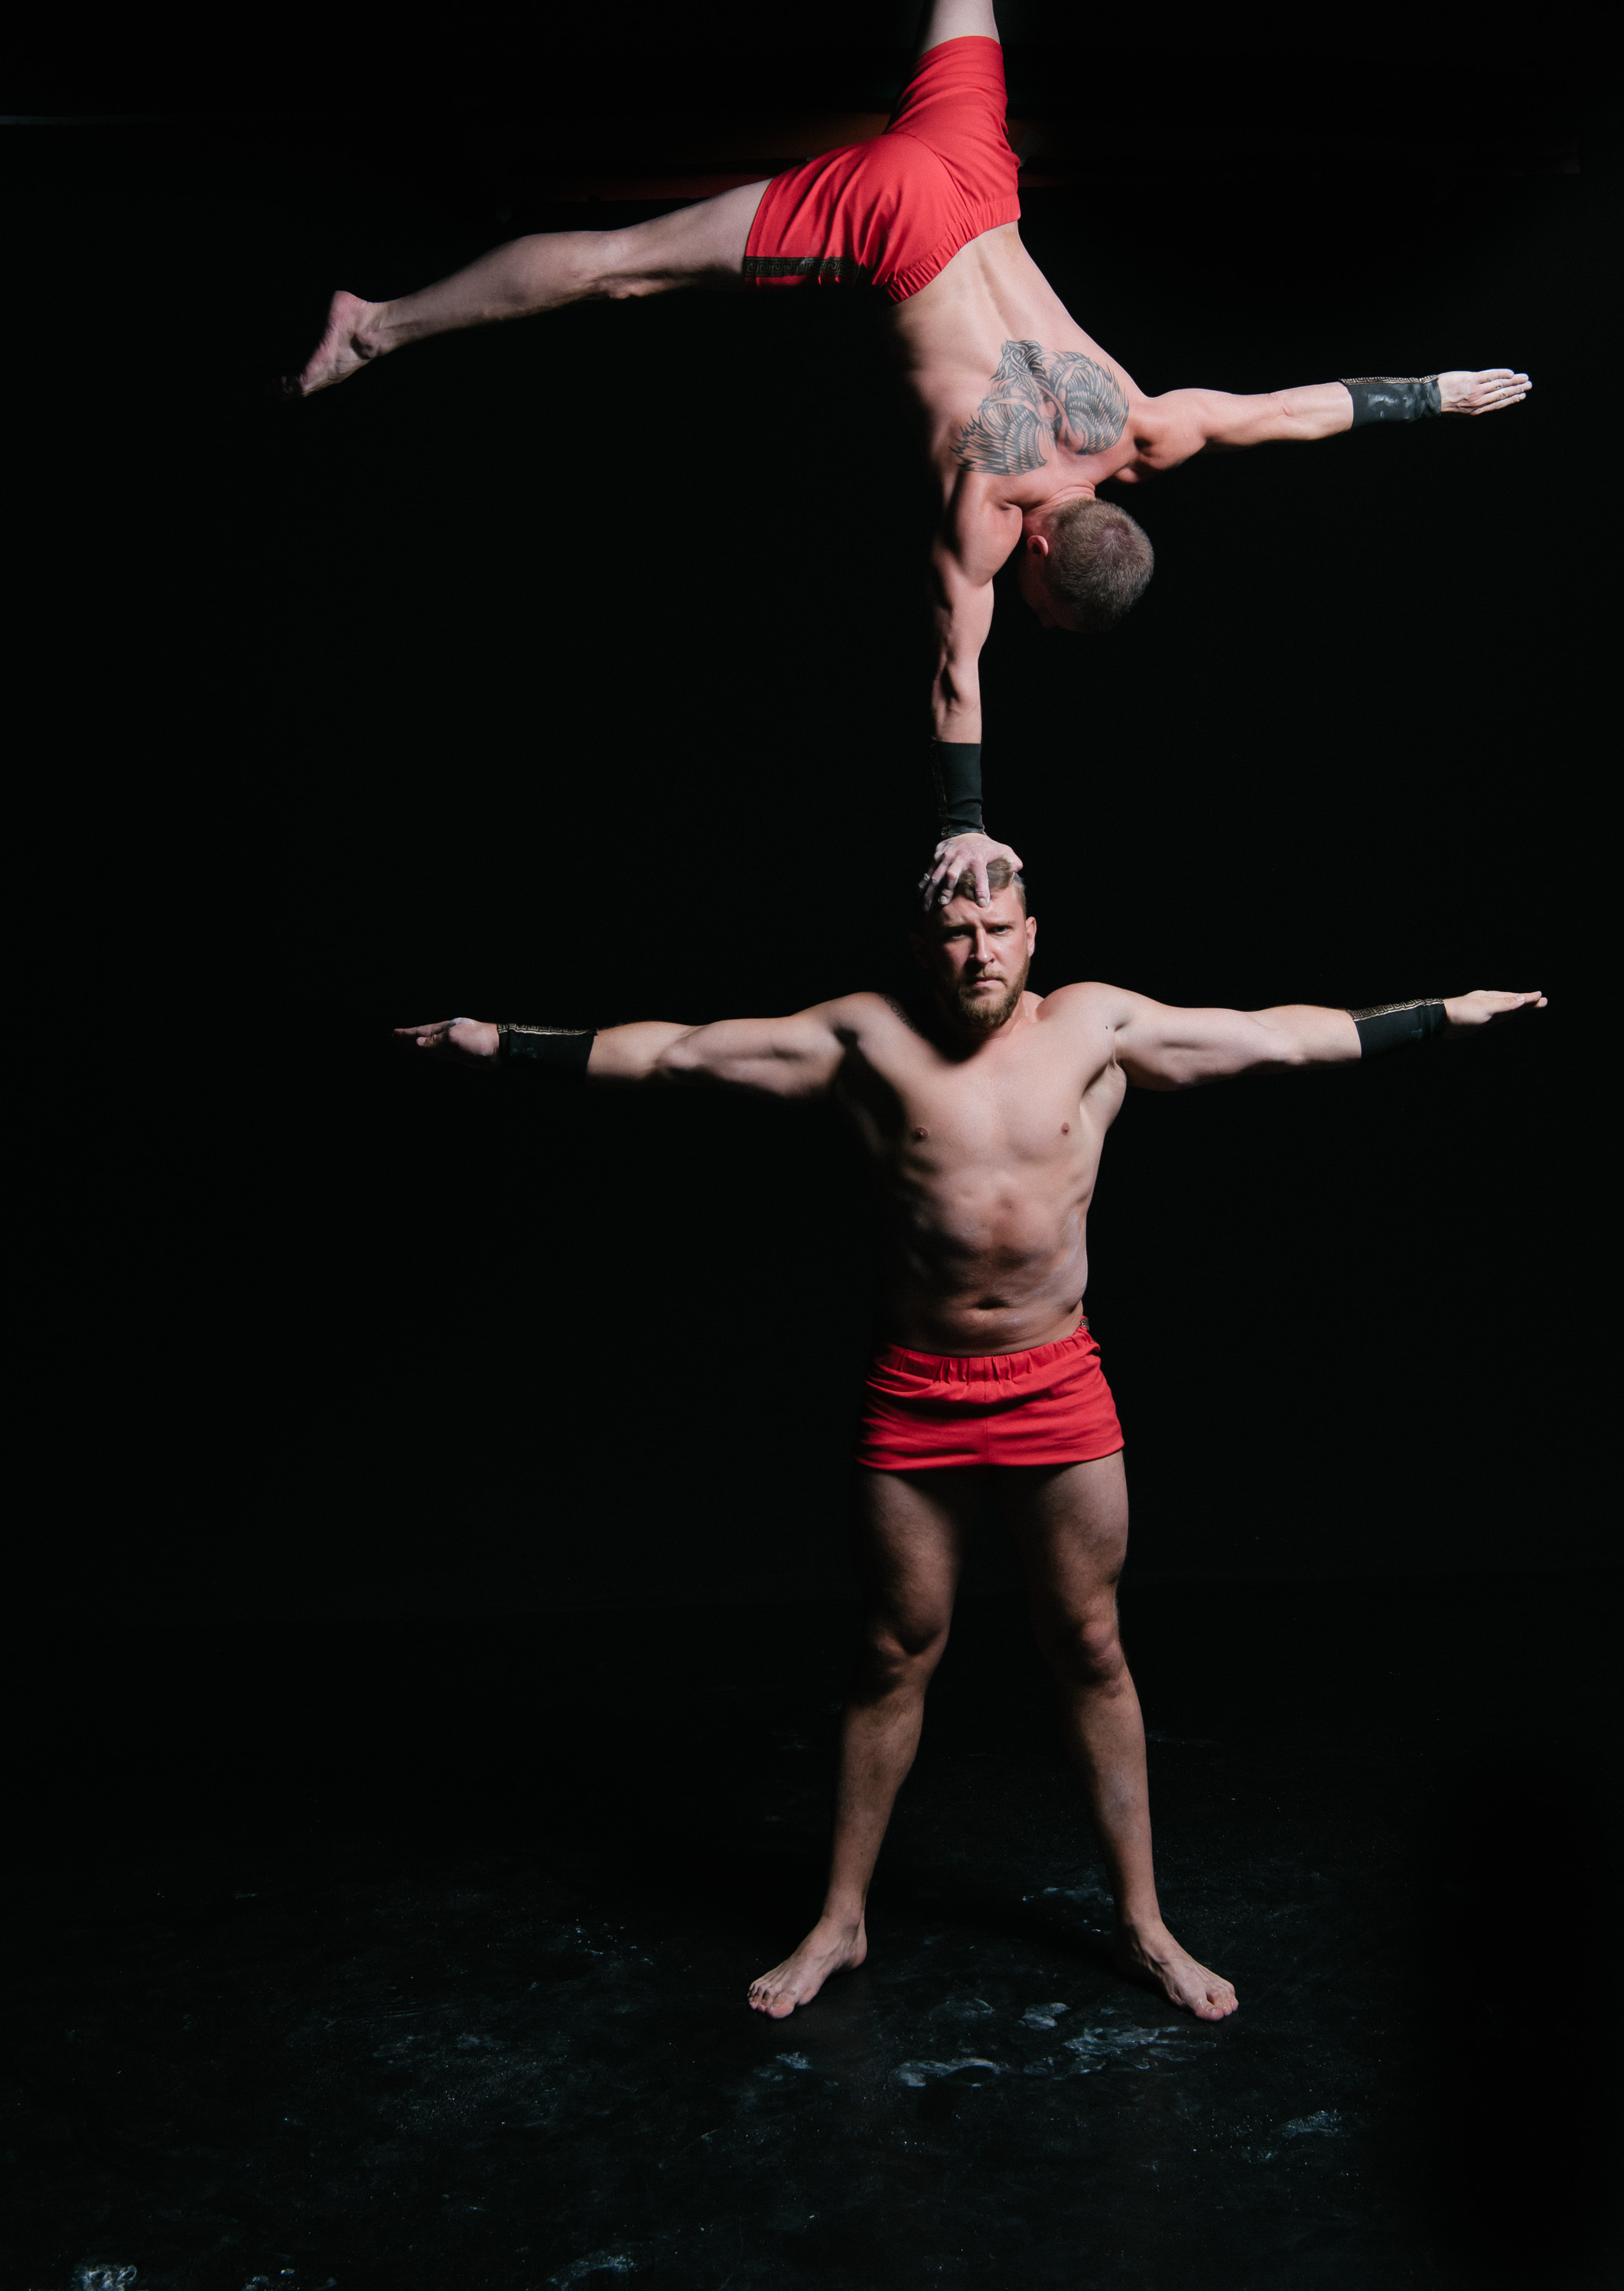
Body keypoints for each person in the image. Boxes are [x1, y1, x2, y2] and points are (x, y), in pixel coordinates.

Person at [293, 0, 1531, 910]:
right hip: (894, 228)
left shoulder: (1149, 429)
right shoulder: (987, 517)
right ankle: (376, 326)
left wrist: (1434, 392)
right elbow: (954, 675)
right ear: (1043, 549)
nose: (1027, 613)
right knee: (621, 271)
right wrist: (966, 827)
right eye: (1045, 608)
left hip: (973, 176)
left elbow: (1295, 411)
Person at [395, 864, 1544, 2021]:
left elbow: (1280, 1039)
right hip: (918, 1388)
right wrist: (506, 1044)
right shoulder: (864, 1039)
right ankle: (840, 1920)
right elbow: (677, 1055)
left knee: (1090, 1643)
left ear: (1034, 935)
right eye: (955, 932)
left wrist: (1444, 1013)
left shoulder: (1096, 1028)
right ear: (921, 945)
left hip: (1058, 1382)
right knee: (896, 1649)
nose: (981, 950)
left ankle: (1143, 1925)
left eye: (998, 928)